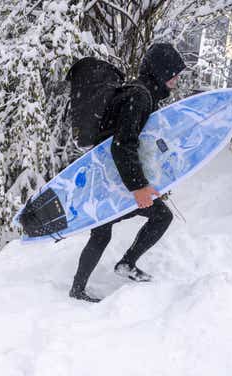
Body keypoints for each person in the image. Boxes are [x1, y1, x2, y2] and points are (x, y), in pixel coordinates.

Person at [69, 43, 186, 303]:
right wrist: (139, 187)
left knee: (118, 228)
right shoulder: (139, 96)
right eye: (174, 73)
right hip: (111, 178)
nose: (177, 79)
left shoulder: (141, 93)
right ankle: (82, 287)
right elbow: (123, 144)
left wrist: (149, 179)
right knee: (148, 220)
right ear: (160, 71)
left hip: (111, 176)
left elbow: (138, 144)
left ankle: (114, 270)